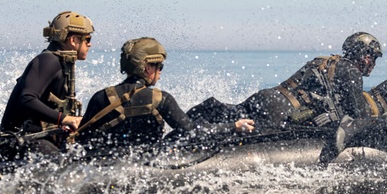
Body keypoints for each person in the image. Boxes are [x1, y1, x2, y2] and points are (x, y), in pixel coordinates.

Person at [75, 37, 254, 150]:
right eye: (159, 66)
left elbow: (83, 139)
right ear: (147, 68)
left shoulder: (101, 97)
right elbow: (192, 131)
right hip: (150, 165)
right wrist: (233, 126)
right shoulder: (161, 99)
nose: (160, 71)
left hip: (109, 167)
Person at [193, 32, 383, 130]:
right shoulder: (351, 71)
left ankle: (197, 116)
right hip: (278, 113)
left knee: (228, 114)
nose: (373, 63)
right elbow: (358, 117)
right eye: (373, 57)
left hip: (267, 97)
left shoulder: (323, 61)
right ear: (363, 55)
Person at [0, 10, 95, 148]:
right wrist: (66, 119)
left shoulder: (61, 63)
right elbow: (27, 98)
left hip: (39, 139)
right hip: (20, 142)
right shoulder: (48, 61)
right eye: (87, 39)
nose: (90, 44)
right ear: (73, 40)